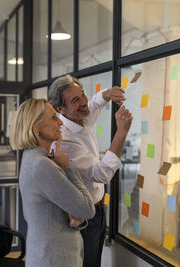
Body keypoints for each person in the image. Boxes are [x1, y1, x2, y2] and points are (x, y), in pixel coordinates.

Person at [48, 75, 133, 267]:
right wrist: (121, 132)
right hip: (84, 216)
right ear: (60, 109)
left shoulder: (80, 115)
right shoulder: (65, 139)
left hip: (97, 209)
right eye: (75, 100)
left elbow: (94, 103)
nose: (84, 102)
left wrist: (108, 94)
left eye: (82, 94)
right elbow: (101, 174)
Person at [10, 98, 95, 267]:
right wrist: (68, 167)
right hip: (54, 259)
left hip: (47, 255)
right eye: (54, 118)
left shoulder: (32, 157)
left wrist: (77, 218)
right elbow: (87, 208)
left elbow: (68, 212)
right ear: (37, 128)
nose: (60, 123)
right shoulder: (43, 166)